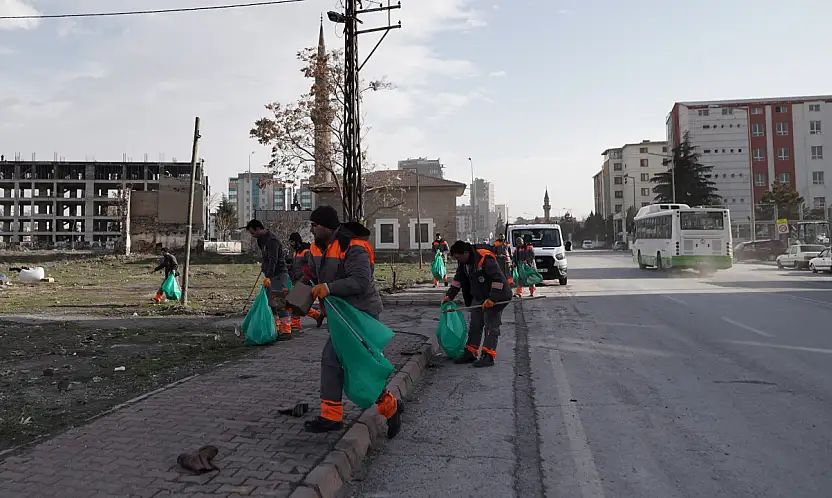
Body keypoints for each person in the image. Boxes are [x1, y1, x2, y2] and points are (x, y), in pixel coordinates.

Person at [303, 205, 403, 438]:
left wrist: (328, 288)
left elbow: (360, 282)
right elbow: (309, 275)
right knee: (335, 360)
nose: (312, 229)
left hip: (361, 314)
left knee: (356, 364)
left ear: (326, 226)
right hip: (342, 317)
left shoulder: (354, 246)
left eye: (314, 225)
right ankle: (332, 416)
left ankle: (388, 407)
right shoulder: (317, 247)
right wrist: (296, 298)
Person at [442, 240, 512, 368]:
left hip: (497, 296)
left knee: (491, 325)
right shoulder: (464, 263)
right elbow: (458, 280)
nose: (458, 260)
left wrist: (493, 299)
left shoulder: (484, 258)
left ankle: (488, 355)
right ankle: (471, 352)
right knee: (475, 324)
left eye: (458, 257)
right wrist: (449, 295)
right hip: (479, 296)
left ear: (466, 253)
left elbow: (498, 279)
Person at [246, 219, 292, 341]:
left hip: (279, 274)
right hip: (270, 274)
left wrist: (268, 276)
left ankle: (286, 330)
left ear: (258, 229)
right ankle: (274, 328)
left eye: (253, 233)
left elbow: (273, 260)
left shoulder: (273, 241)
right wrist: (264, 267)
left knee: (278, 300)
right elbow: (266, 258)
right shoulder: (261, 240)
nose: (253, 236)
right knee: (270, 302)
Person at [287, 232, 324, 330]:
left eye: (292, 241)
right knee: (297, 303)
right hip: (296, 280)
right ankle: (317, 315)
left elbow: (311, 265)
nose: (290, 244)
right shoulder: (295, 252)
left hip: (305, 280)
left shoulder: (306, 251)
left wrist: (306, 278)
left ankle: (295, 323)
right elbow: (295, 265)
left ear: (296, 241)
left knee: (296, 301)